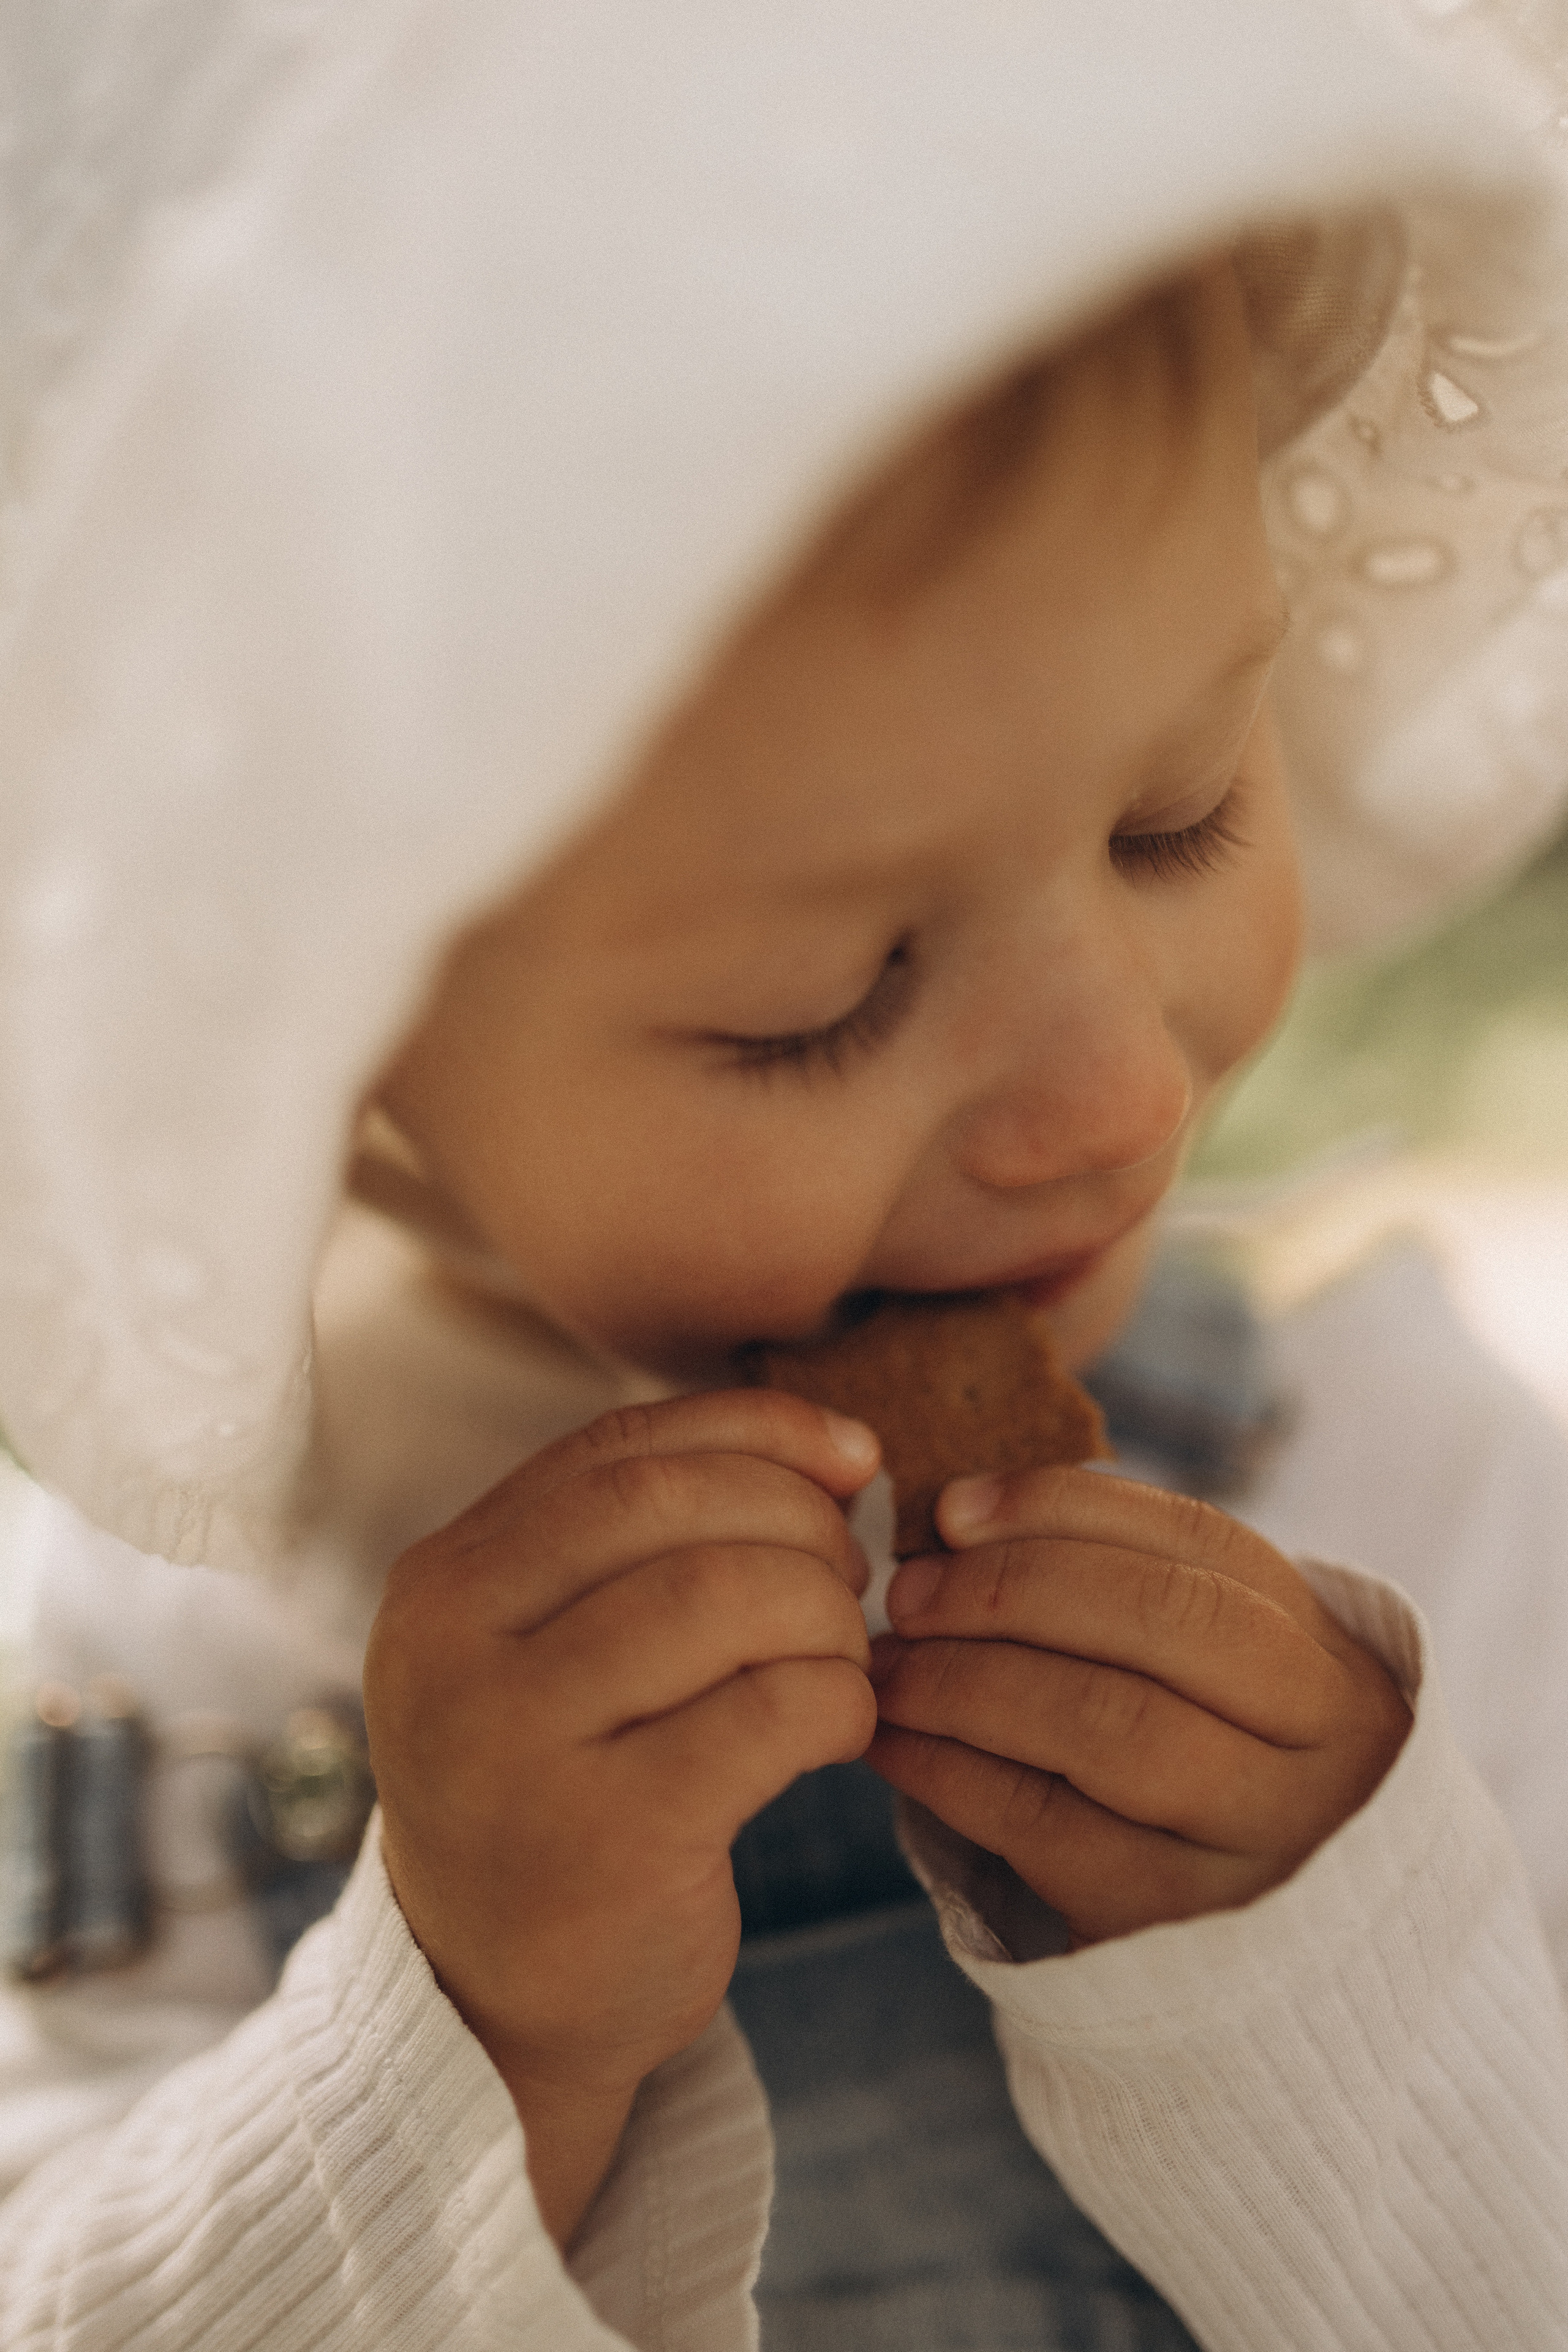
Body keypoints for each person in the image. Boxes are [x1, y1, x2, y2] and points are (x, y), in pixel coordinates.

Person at [0, 4, 1566, 2348]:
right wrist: (468, 2038)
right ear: (308, 1053)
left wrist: (1349, 1978)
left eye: (1178, 819)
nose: (1114, 1093)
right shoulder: (146, 1701)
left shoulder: (1416, 1496)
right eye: (814, 1004)